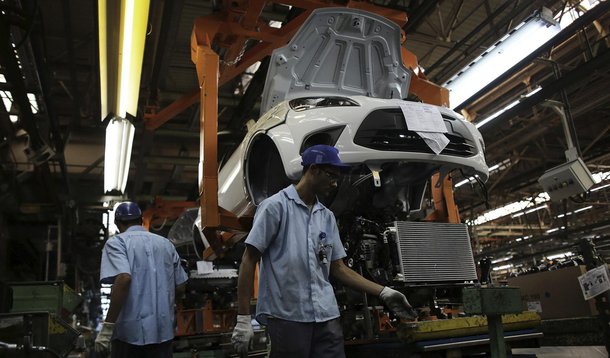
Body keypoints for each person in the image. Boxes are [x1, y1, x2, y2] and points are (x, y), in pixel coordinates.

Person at [231, 144, 415, 357]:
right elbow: (248, 259)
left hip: (326, 318)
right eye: (331, 175)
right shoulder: (275, 208)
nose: (335, 183)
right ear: (313, 170)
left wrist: (384, 292)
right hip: (287, 318)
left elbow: (338, 268)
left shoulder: (326, 216)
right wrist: (243, 318)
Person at [95, 202, 188, 358]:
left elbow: (124, 278)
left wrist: (107, 328)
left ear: (117, 223)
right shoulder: (166, 244)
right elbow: (180, 287)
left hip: (129, 336)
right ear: (140, 220)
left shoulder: (117, 243)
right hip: (162, 334)